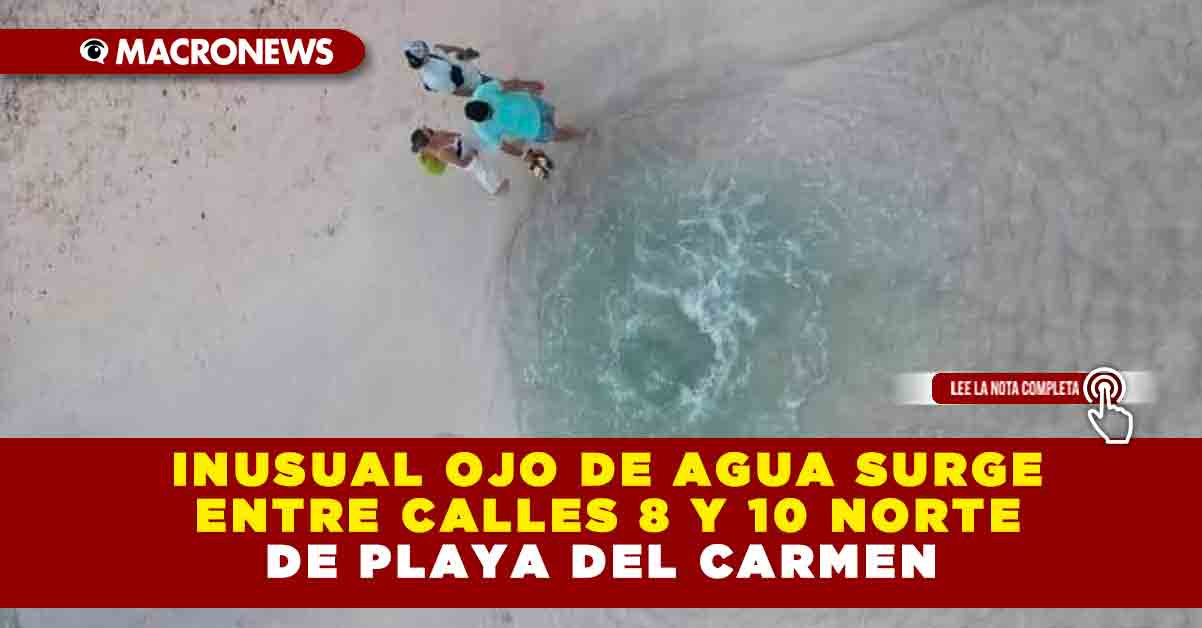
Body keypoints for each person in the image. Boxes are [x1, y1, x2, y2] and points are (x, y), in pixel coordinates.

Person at [464, 81, 585, 159]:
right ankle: (582, 136)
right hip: (534, 130)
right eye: (490, 117)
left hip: (533, 105)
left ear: (483, 102)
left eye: (490, 110)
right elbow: (504, 146)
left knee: (555, 118)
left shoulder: (482, 91)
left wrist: (529, 84)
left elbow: (510, 85)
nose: (493, 113)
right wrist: (523, 156)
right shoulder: (483, 130)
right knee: (557, 135)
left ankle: (573, 131)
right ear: (481, 121)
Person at [402, 40, 543, 98]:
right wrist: (478, 94)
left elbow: (445, 48)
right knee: (502, 86)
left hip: (471, 72)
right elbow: (457, 91)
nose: (428, 49)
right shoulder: (435, 80)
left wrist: (464, 53)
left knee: (501, 87)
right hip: (475, 85)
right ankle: (527, 87)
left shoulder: (433, 51)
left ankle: (523, 88)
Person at [410, 127, 510, 196]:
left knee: (485, 162)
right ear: (427, 138)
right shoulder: (442, 152)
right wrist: (472, 154)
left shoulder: (436, 134)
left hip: (464, 144)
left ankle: (499, 146)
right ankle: (496, 189)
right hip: (467, 159)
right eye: (424, 130)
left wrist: (455, 137)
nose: (425, 127)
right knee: (483, 172)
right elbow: (462, 164)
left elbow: (454, 134)